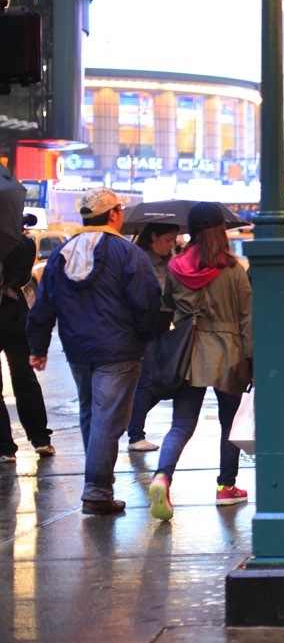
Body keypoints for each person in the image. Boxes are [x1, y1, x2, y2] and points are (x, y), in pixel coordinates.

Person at [27, 187, 161, 516]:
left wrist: (39, 346)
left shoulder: (63, 253)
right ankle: (98, 490)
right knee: (107, 419)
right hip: (119, 349)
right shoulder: (128, 254)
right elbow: (147, 302)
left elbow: (44, 303)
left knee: (91, 415)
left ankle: (97, 485)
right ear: (114, 214)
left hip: (78, 349)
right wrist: (146, 338)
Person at [148, 202, 253, 521]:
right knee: (229, 423)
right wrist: (251, 358)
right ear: (220, 231)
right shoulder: (234, 269)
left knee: (181, 423)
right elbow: (247, 317)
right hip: (228, 352)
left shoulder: (176, 265)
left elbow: (166, 302)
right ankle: (226, 487)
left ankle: (162, 476)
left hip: (187, 350)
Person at [0, 231, 55, 461]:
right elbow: (22, 278)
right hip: (13, 313)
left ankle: (4, 448)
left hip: (12, 315)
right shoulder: (22, 243)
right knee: (24, 376)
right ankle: (40, 439)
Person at [126, 223, 180, 452]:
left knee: (166, 380)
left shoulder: (171, 260)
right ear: (153, 237)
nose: (171, 245)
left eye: (174, 241)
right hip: (146, 326)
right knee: (147, 381)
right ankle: (135, 435)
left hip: (163, 326)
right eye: (167, 240)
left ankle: (129, 420)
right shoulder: (141, 260)